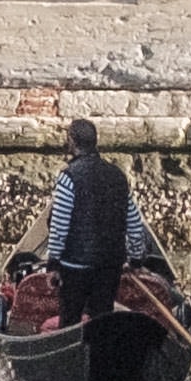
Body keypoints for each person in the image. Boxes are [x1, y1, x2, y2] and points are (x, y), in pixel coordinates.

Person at [46, 114, 136, 332]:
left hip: (75, 266)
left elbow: (59, 226)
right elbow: (133, 221)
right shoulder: (118, 175)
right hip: (110, 265)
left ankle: (72, 358)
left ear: (71, 141)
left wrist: (53, 264)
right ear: (95, 141)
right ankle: (102, 357)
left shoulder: (69, 177)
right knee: (102, 318)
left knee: (69, 321)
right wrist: (136, 258)